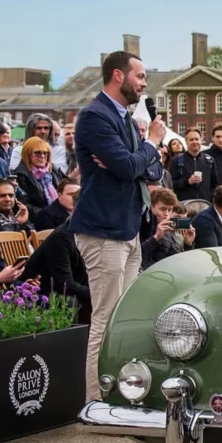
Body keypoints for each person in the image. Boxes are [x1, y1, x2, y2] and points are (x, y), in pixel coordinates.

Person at [70, 49, 165, 401]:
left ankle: (122, 391)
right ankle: (95, 399)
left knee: (124, 319)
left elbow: (152, 171)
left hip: (128, 228)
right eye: (140, 76)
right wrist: (149, 145)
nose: (144, 84)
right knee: (106, 316)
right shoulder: (95, 117)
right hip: (102, 230)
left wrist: (139, 157)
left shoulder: (124, 118)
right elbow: (129, 167)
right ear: (118, 76)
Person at [21, 186, 90, 319]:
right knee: (69, 301)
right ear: (75, 210)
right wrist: (95, 292)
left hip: (73, 286)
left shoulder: (92, 236)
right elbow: (64, 284)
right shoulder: (61, 238)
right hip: (41, 290)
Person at [140, 188, 193, 270]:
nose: (166, 214)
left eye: (169, 210)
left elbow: (176, 257)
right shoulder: (143, 224)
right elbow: (138, 256)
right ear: (152, 207)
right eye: (162, 209)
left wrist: (188, 244)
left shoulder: (167, 228)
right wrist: (156, 237)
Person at [14, 136, 64, 219]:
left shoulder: (54, 171)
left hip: (56, 216)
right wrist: (47, 214)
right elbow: (22, 204)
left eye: (45, 153)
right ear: (28, 154)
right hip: (36, 220)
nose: (42, 156)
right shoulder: (20, 175)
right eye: (37, 153)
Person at [169, 126, 218, 201]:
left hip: (205, 204)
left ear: (201, 141)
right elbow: (171, 184)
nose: (195, 142)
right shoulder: (176, 160)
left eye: (197, 139)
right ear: (186, 142)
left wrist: (211, 197)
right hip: (184, 205)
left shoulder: (209, 160)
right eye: (191, 140)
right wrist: (187, 181)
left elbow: (215, 185)